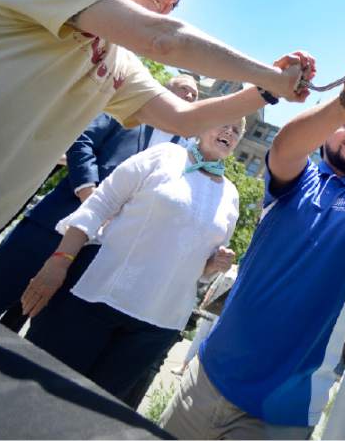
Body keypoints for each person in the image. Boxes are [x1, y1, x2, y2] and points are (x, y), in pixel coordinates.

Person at [0, 0, 315, 299]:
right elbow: (163, 40)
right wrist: (272, 75)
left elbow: (184, 119)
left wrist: (262, 92)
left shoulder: (121, 63)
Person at [160, 51, 345, 440]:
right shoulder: (297, 180)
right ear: (325, 137)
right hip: (208, 377)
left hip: (282, 413)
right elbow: (284, 148)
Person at [19, 119, 245, 404]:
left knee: (89, 414)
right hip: (97, 298)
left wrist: (214, 264)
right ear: (201, 126)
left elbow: (198, 263)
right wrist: (60, 260)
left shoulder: (231, 195)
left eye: (237, 130)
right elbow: (101, 202)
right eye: (225, 122)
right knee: (35, 391)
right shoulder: (164, 155)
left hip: (157, 325)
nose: (229, 132)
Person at [0, 74, 201, 330]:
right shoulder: (128, 113)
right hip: (50, 228)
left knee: (19, 324)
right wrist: (90, 194)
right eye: (184, 89)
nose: (190, 96)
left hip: (94, 254)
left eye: (195, 95)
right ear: (162, 90)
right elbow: (82, 140)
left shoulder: (186, 155)